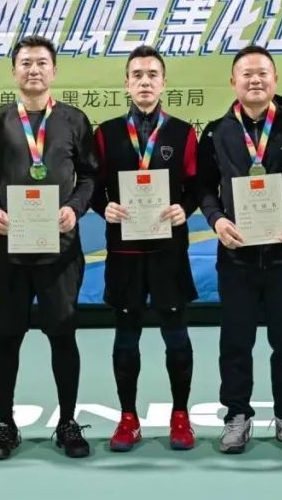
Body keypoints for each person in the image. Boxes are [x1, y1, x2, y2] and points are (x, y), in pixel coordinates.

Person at [0, 35, 99, 460]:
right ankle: (5, 424)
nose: (34, 70)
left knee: (62, 335)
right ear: (14, 71)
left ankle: (68, 422)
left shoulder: (74, 120)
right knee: (7, 336)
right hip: (9, 249)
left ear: (54, 70)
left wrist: (75, 209)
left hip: (59, 249)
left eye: (42, 62)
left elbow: (89, 177)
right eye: (25, 62)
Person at [198, 44, 282, 454]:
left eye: (262, 73)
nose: (255, 80)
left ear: (275, 80)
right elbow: (203, 187)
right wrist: (217, 221)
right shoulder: (215, 132)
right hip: (236, 256)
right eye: (247, 74)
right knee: (236, 340)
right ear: (233, 81)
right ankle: (237, 415)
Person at [91, 45, 199, 452]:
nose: (145, 82)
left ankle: (181, 415)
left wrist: (185, 208)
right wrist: (104, 207)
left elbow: (198, 186)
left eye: (152, 74)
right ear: (126, 83)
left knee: (176, 335)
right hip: (125, 253)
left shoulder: (183, 132)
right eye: (137, 75)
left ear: (163, 82)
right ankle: (128, 418)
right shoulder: (106, 133)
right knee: (126, 337)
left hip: (168, 251)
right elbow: (92, 186)